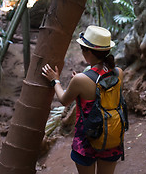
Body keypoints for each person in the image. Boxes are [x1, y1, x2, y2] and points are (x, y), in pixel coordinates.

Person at [42, 25, 124, 174]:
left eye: (82, 48)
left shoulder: (81, 79)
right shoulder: (119, 73)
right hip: (112, 135)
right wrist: (81, 81)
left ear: (88, 52)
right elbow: (104, 91)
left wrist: (55, 81)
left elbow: (64, 100)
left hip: (87, 139)